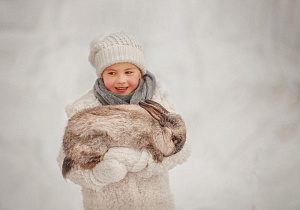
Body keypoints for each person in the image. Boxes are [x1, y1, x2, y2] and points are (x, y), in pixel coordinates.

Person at [57, 32, 191, 210]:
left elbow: (183, 149)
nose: (121, 80)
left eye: (129, 72)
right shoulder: (84, 108)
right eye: (112, 73)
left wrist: (145, 161)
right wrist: (98, 175)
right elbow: (66, 161)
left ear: (140, 72)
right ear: (101, 75)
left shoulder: (159, 101)